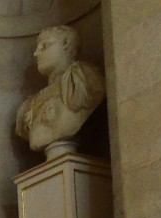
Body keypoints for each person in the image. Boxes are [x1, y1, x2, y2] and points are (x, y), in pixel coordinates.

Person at [15, 25, 105, 158]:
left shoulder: (86, 80)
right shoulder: (30, 104)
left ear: (65, 43)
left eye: (44, 46)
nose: (36, 53)